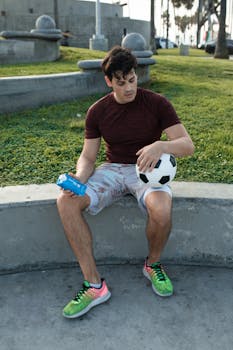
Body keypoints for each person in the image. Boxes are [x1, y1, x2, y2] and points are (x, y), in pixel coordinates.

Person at [57, 46, 195, 319]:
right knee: (66, 202)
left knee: (162, 208)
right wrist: (80, 178)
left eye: (132, 80)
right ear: (109, 81)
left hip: (148, 171)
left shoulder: (157, 103)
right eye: (121, 83)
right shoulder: (97, 111)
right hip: (112, 170)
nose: (129, 87)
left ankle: (152, 265)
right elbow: (88, 156)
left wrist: (160, 146)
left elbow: (187, 145)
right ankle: (94, 285)